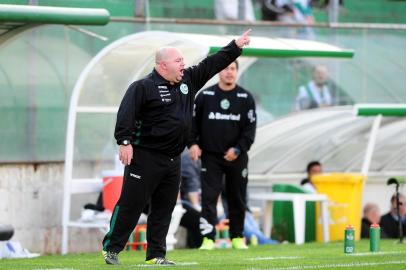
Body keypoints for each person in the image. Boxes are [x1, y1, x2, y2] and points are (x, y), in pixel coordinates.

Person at [101, 30, 252, 266]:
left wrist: (235, 46)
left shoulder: (187, 82)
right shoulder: (142, 87)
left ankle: (156, 255)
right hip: (145, 157)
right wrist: (124, 141)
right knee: (132, 204)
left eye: (183, 60)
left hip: (173, 159)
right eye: (178, 61)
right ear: (163, 66)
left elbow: (211, 64)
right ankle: (111, 249)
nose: (184, 64)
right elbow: (126, 115)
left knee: (165, 208)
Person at [188, 60, 257, 250]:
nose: (229, 72)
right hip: (211, 157)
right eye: (225, 68)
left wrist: (238, 149)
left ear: (237, 72)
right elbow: (192, 125)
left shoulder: (245, 98)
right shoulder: (205, 96)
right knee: (209, 198)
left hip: (237, 156)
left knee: (237, 197)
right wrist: (192, 143)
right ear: (219, 71)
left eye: (233, 69)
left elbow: (250, 131)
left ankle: (237, 237)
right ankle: (208, 238)